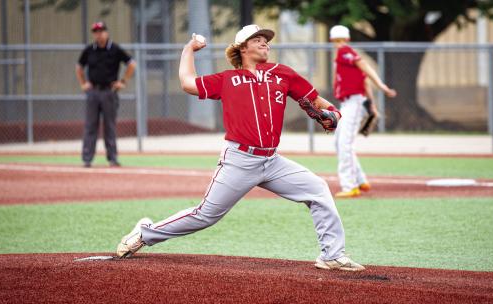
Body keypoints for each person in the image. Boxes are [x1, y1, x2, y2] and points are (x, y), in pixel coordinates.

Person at [116, 24, 365, 271]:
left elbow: (315, 100)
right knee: (205, 216)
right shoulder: (228, 79)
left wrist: (334, 113)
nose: (265, 42)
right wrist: (188, 49)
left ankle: (332, 254)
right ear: (242, 47)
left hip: (272, 161)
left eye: (266, 39)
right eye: (257, 39)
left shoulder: (283, 74)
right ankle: (145, 233)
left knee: (318, 189)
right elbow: (187, 82)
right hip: (239, 159)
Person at [330, 25, 397, 198]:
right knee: (339, 142)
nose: (339, 44)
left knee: (345, 143)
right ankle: (360, 180)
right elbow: (364, 79)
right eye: (336, 41)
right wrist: (372, 105)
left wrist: (381, 86)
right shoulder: (344, 57)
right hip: (351, 103)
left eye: (341, 40)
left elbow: (364, 65)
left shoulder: (344, 51)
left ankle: (349, 186)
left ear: (347, 40)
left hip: (353, 102)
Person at [75, 21, 136, 168]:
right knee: (90, 126)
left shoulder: (114, 49)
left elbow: (131, 64)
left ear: (106, 32)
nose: (99, 34)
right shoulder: (90, 50)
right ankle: (87, 159)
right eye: (96, 32)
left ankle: (112, 158)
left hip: (109, 92)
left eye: (101, 31)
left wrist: (123, 81)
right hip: (93, 92)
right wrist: (83, 83)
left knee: (110, 126)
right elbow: (79, 66)